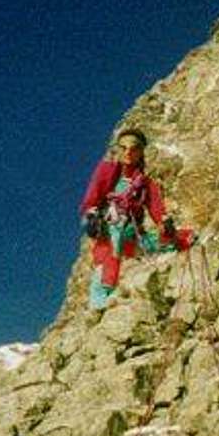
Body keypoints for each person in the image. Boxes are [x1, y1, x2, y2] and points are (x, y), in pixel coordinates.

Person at [80, 128, 192, 309]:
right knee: (111, 249)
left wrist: (165, 224)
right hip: (109, 228)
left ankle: (188, 241)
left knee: (171, 240)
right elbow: (92, 198)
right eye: (123, 148)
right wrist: (91, 215)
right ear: (118, 150)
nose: (128, 153)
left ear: (141, 152)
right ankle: (100, 299)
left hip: (132, 235)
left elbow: (157, 209)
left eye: (134, 148)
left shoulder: (145, 183)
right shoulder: (107, 171)